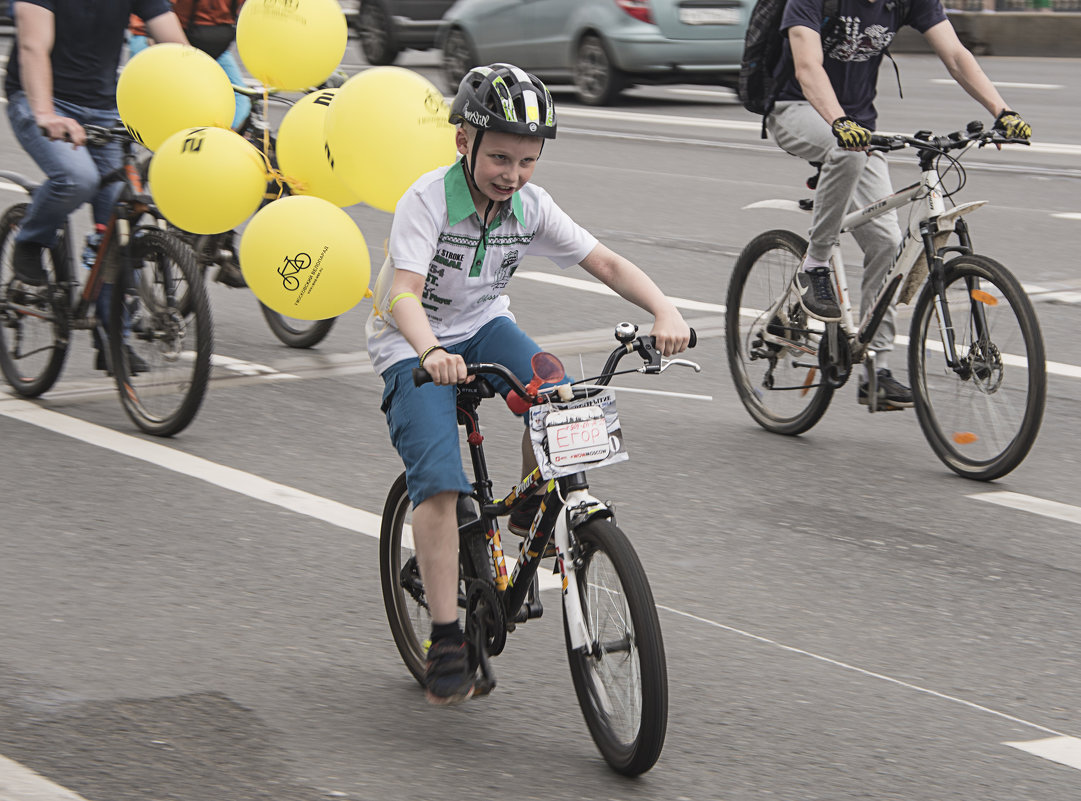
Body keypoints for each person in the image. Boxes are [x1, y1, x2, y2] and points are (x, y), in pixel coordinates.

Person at [366, 63, 691, 705]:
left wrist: (665, 309)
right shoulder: (427, 201)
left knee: (560, 395)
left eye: (526, 161)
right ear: (464, 141)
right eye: (499, 158)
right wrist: (429, 350)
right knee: (440, 483)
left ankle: (525, 509)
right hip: (412, 341)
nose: (511, 174)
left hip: (485, 325)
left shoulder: (529, 207)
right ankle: (446, 636)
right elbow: (401, 294)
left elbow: (605, 261)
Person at [766, 0, 1031, 409]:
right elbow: (808, 68)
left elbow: (956, 55)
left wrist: (1002, 110)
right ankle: (815, 265)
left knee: (888, 243)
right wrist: (839, 122)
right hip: (797, 110)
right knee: (847, 153)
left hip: (857, 128)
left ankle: (876, 371)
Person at [5, 0, 187, 368]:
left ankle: (113, 340)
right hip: (43, 99)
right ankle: (30, 240)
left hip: (105, 107)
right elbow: (32, 46)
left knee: (121, 217)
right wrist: (44, 113)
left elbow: (177, 49)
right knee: (77, 178)